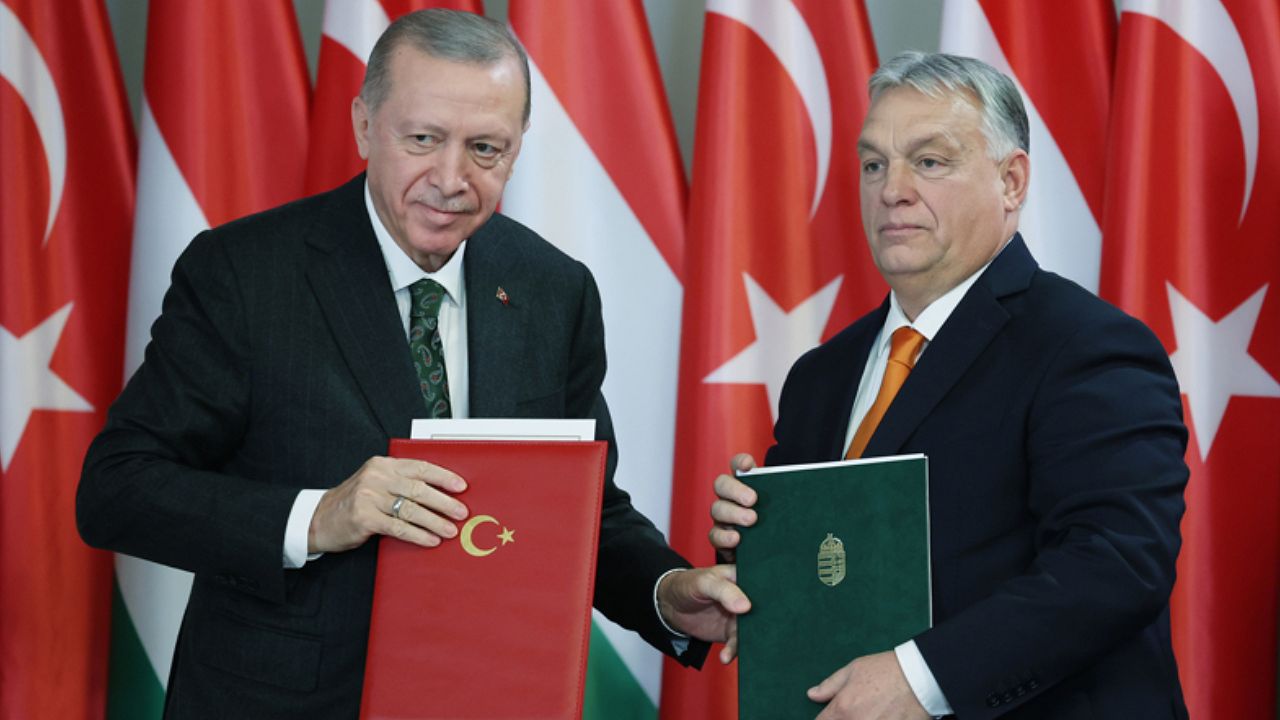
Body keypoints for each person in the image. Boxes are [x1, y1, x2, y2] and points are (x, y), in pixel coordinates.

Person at [78, 9, 743, 718]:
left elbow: (580, 509)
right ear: (366, 126)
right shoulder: (244, 273)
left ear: (517, 149)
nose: (451, 179)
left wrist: (667, 593)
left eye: (484, 148)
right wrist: (318, 516)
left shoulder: (555, 289)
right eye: (423, 139)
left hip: (488, 697)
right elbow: (117, 489)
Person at [709, 52, 1189, 719]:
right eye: (874, 164)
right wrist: (754, 546)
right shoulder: (820, 376)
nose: (892, 190)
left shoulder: (1087, 346)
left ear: (1011, 181)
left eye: (929, 161)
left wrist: (921, 678)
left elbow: (1114, 565)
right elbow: (835, 565)